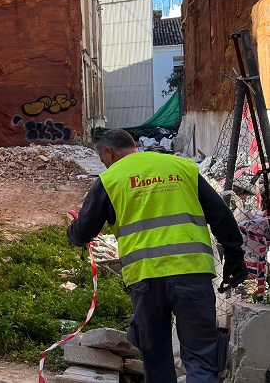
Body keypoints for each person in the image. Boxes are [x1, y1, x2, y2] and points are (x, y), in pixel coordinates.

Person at [67, 129, 249, 383]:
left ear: (108, 152)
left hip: (146, 279)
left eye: (102, 159)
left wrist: (73, 232)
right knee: (201, 360)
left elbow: (83, 231)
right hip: (192, 273)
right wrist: (235, 258)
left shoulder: (110, 179)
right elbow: (221, 215)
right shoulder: (181, 167)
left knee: (156, 358)